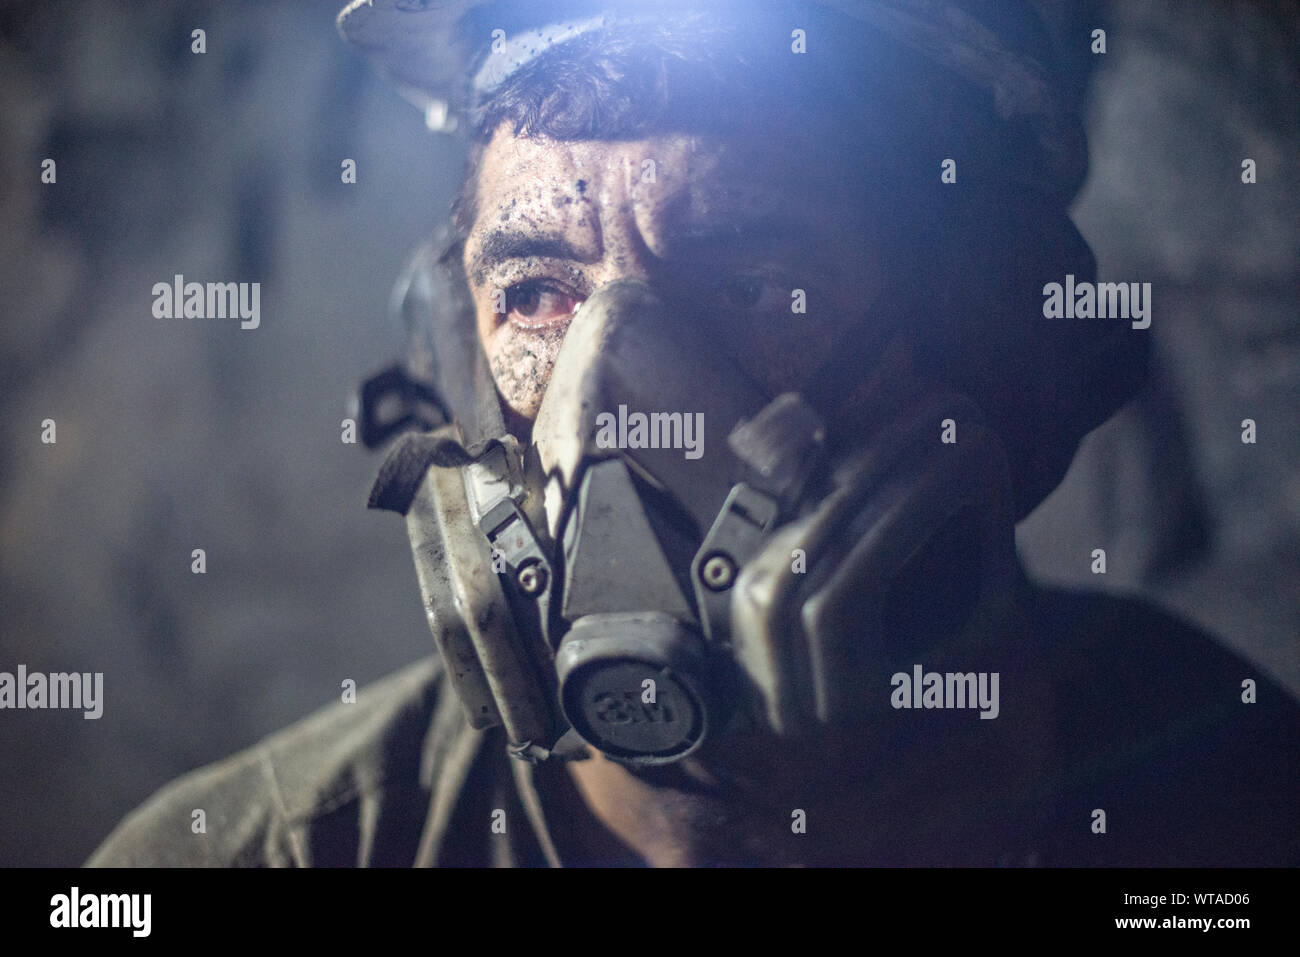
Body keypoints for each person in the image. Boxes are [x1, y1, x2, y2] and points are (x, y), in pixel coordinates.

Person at [89, 0, 1298, 867]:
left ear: (1006, 352)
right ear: (452, 359)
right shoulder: (259, 854)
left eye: (764, 287)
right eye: (537, 295)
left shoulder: (1236, 792)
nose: (603, 400)